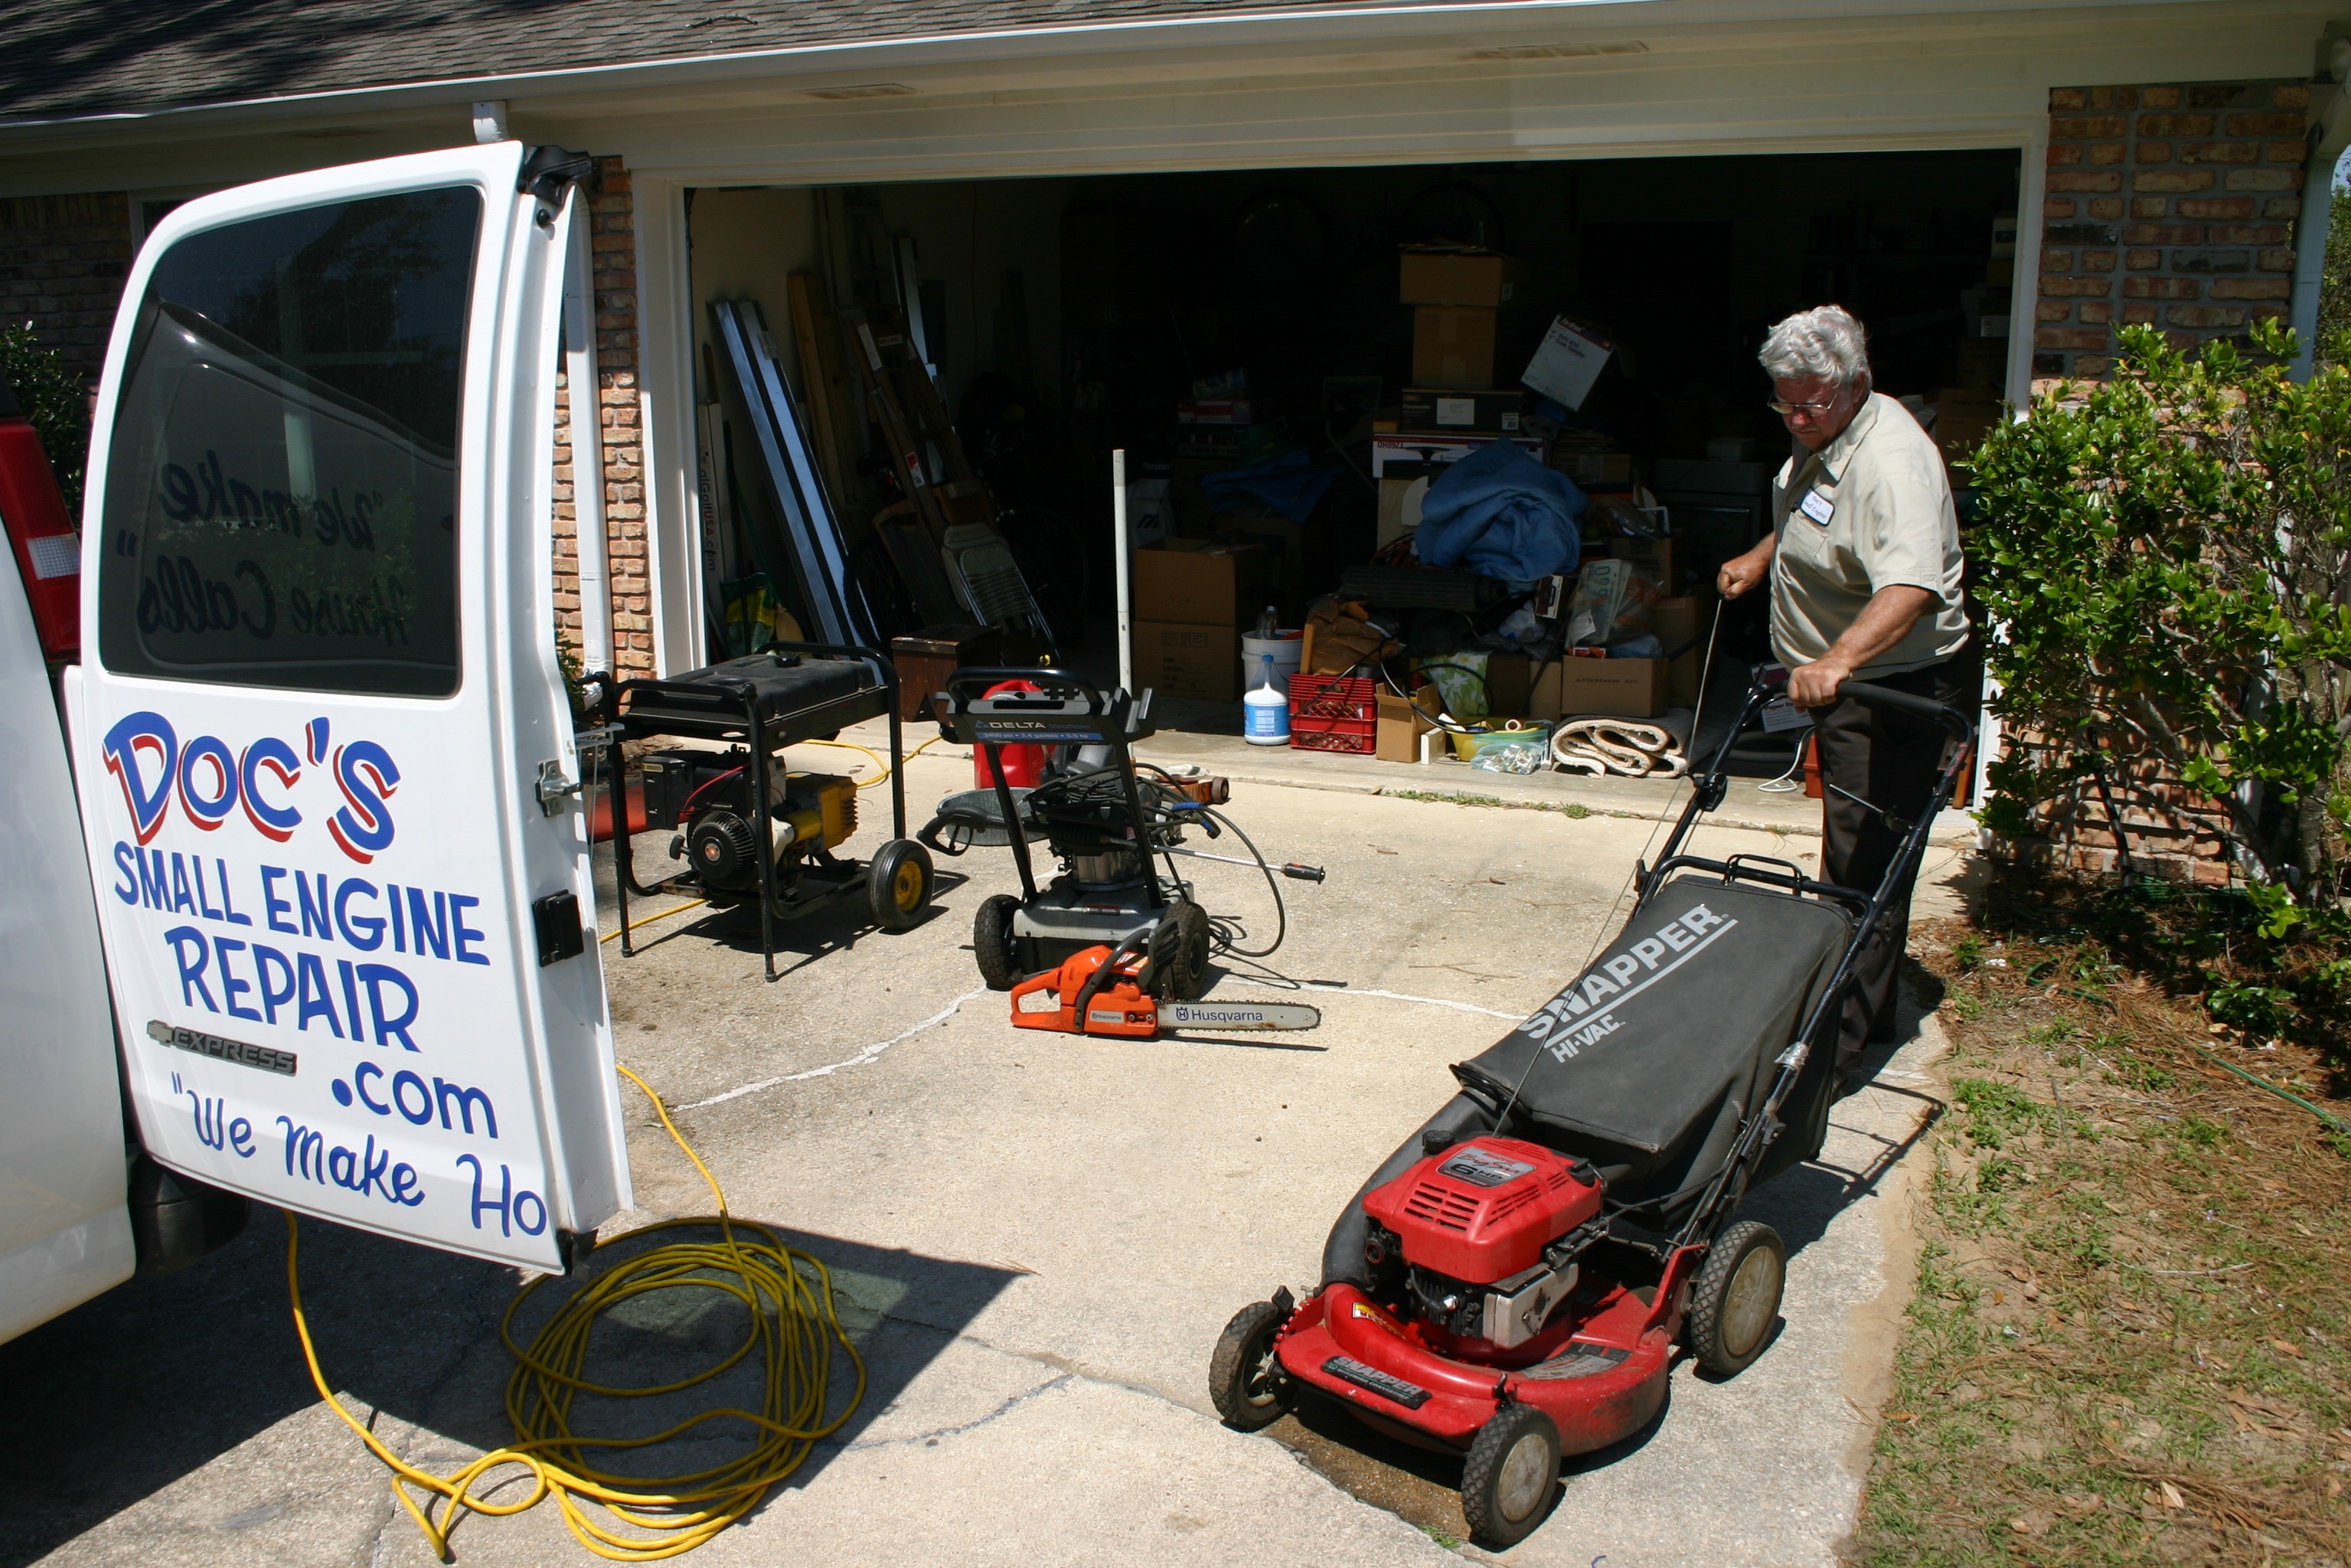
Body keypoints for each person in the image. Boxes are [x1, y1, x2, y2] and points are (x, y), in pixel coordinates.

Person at [1715, 305, 1974, 1080]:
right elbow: (1819, 515)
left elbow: (1909, 585)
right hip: (1841, 679)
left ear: (1857, 383)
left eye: (1808, 404)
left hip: (1892, 683)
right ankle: (1857, 1007)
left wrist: (1835, 659)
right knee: (1848, 850)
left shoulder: (1891, 459)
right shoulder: (1828, 431)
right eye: (1781, 403)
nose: (1794, 419)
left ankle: (1842, 1052)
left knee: (1865, 861)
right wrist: (1765, 553)